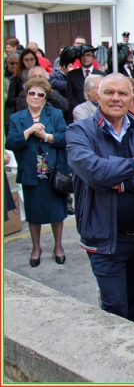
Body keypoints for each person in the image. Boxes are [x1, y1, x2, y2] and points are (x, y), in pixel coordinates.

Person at [66, 73, 134, 325]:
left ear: (131, 97)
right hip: (104, 239)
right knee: (114, 309)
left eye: (122, 93)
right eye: (109, 92)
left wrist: (120, 184)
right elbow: (95, 173)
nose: (116, 98)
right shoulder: (79, 131)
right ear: (96, 94)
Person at [6, 77, 69, 267]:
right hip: (31, 173)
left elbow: (65, 138)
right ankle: (36, 247)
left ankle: (58, 246)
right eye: (31, 93)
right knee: (34, 214)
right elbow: (10, 142)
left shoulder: (55, 114)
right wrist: (28, 132)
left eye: (40, 94)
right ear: (26, 96)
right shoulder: (17, 118)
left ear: (45, 98)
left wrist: (46, 136)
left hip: (53, 172)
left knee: (57, 212)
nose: (35, 97)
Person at [65, 45, 107, 116]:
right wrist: (79, 108)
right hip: (77, 113)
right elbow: (69, 95)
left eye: (88, 55)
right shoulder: (72, 75)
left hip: (98, 113)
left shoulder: (102, 75)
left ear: (93, 57)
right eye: (83, 55)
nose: (85, 58)